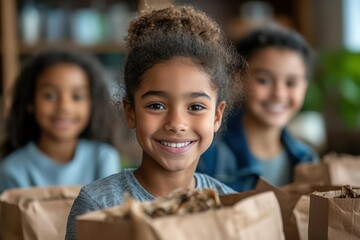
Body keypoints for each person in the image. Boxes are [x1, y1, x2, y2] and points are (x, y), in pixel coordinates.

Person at [65, 4, 245, 239]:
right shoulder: (99, 205)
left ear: (217, 116)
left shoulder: (228, 206)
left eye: (196, 107)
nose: (176, 123)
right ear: (130, 111)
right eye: (156, 106)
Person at [197, 26, 319, 192]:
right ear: (238, 80)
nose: (279, 94)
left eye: (291, 83)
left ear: (304, 87)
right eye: (263, 80)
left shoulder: (306, 159)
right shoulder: (209, 153)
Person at [0, 49, 122, 193]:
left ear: (92, 104)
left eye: (77, 97)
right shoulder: (12, 170)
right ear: (30, 102)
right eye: (50, 96)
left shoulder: (103, 157)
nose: (64, 106)